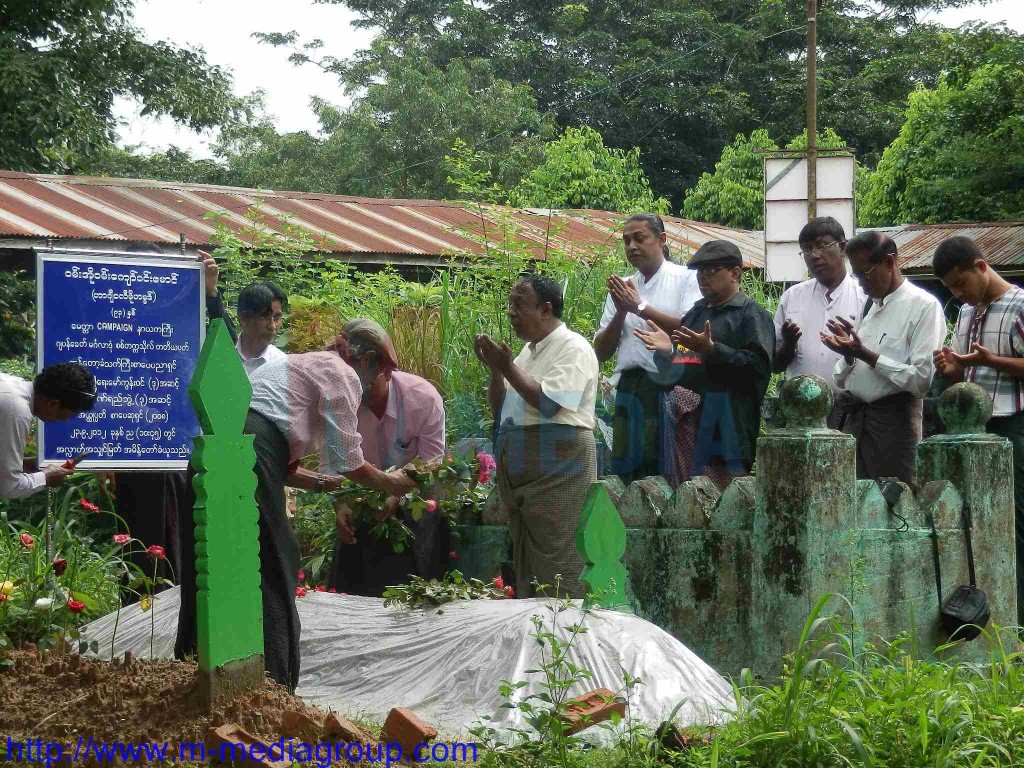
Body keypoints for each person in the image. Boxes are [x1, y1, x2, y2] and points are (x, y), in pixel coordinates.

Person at [175, 345, 416, 691]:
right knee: (276, 559)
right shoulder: (340, 371)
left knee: (209, 562)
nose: (378, 385)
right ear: (365, 360)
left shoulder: (300, 365)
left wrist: (320, 483)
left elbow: (277, 456)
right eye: (381, 374)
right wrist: (391, 482)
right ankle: (274, 683)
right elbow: (348, 460)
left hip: (217, 452)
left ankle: (190, 663)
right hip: (246, 454)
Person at [475, 275, 599, 599]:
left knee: (560, 558)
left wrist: (507, 367)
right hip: (522, 468)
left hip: (558, 466)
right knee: (526, 564)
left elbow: (549, 404)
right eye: (509, 306)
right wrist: (496, 370)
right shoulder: (526, 354)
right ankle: (536, 642)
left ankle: (566, 640)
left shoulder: (574, 347)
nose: (511, 313)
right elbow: (499, 406)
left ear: (546, 309)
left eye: (519, 305)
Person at [932, 236, 1024, 623]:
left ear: (981, 267)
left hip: (1014, 425)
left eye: (960, 283)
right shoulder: (967, 314)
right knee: (975, 521)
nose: (958, 293)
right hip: (971, 432)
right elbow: (966, 371)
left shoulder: (1019, 304)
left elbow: (999, 365)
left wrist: (995, 361)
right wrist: (952, 369)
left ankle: (1016, 618)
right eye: (951, 288)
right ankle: (988, 612)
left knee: (1015, 521)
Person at [635, 241, 774, 490]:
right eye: (700, 271)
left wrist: (712, 350)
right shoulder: (695, 315)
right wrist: (667, 352)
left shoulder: (751, 315)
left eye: (711, 269)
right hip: (682, 435)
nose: (703, 276)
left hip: (725, 434)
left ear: (735, 273)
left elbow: (758, 369)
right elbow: (681, 367)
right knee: (684, 509)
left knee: (721, 510)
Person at [327, 318, 446, 596]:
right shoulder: (338, 401)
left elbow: (431, 463)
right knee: (353, 595)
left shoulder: (423, 399)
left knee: (412, 594)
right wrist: (341, 504)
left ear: (383, 370)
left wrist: (396, 494)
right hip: (361, 507)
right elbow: (332, 463)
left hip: (414, 511)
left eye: (360, 383)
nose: (353, 391)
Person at [821, 231, 945, 486]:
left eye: (866, 274)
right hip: (855, 420)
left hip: (894, 425)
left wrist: (866, 354)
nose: (862, 284)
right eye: (856, 276)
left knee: (895, 508)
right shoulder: (870, 304)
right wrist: (849, 355)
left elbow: (922, 381)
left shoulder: (923, 306)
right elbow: (844, 378)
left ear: (890, 261)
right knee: (852, 501)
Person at [594, 213, 702, 484]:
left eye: (639, 238)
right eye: (626, 240)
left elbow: (690, 329)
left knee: (663, 465)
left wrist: (639, 308)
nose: (632, 246)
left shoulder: (686, 278)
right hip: (629, 385)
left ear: (662, 240)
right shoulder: (622, 287)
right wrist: (621, 312)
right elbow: (601, 351)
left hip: (670, 384)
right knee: (625, 464)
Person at [773, 217, 867, 427]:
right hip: (798, 411)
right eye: (806, 250)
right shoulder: (792, 297)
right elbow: (775, 365)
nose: (814, 256)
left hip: (849, 409)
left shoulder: (864, 296)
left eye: (822, 246)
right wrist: (788, 344)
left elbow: (874, 357)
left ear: (842, 248)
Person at [0, 363, 96, 499]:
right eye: (69, 415)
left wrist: (22, 464)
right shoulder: (16, 410)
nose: (64, 421)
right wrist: (45, 477)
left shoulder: (11, 386)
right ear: (53, 404)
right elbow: (7, 487)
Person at [200, 251, 287, 375]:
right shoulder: (216, 355)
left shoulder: (283, 366)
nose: (272, 326)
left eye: (277, 318)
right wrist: (211, 290)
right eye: (265, 317)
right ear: (243, 318)